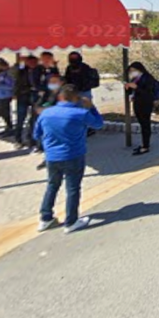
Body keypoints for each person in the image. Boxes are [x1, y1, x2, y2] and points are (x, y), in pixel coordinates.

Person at [33, 84, 103, 234]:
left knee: (52, 185)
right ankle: (71, 221)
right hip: (73, 155)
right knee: (72, 188)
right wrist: (91, 107)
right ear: (77, 98)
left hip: (52, 156)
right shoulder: (81, 113)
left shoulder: (46, 113)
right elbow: (98, 124)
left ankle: (45, 218)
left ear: (60, 97)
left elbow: (36, 134)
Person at [124, 62, 158, 155]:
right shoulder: (135, 79)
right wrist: (128, 88)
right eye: (131, 71)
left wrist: (136, 87)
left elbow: (147, 92)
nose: (132, 72)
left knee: (145, 124)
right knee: (142, 124)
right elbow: (131, 92)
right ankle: (143, 144)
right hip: (137, 103)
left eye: (134, 70)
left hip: (146, 104)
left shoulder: (148, 78)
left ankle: (145, 146)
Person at [12, 54, 43, 149]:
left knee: (34, 119)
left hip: (35, 95)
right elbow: (13, 74)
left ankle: (32, 139)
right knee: (20, 118)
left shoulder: (40, 69)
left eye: (34, 62)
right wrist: (20, 62)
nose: (32, 64)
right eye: (30, 62)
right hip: (23, 95)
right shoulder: (21, 70)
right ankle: (18, 139)